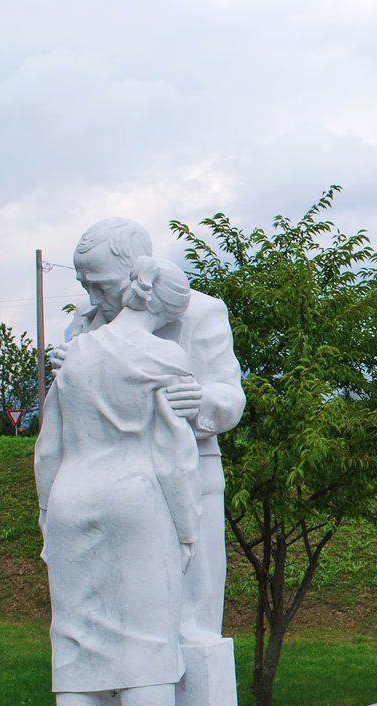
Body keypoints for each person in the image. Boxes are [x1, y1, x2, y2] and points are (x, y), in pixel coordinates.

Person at [36, 257, 211, 706]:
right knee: (147, 640)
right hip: (134, 498)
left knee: (74, 638)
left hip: (71, 494)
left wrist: (48, 514)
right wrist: (187, 529)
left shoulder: (74, 355)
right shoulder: (164, 355)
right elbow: (175, 454)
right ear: (161, 307)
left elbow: (49, 445)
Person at [61, 218, 244, 643]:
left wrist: (200, 401)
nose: (92, 297)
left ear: (136, 273)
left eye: (101, 286)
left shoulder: (199, 312)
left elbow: (230, 396)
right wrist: (67, 376)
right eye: (84, 284)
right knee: (110, 617)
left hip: (187, 484)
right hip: (106, 490)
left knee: (190, 625)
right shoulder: (86, 324)